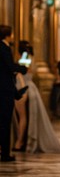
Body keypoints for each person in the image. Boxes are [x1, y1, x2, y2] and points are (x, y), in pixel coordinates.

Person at [13, 42, 60, 154]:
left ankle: (20, 142)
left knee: (22, 116)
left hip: (23, 86)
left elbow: (21, 72)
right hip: (28, 86)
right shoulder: (30, 57)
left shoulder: (25, 57)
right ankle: (22, 141)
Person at [0, 25, 27, 162]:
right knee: (5, 121)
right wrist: (22, 69)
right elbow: (10, 67)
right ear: (8, 35)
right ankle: (5, 153)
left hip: (5, 88)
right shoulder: (4, 48)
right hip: (4, 90)